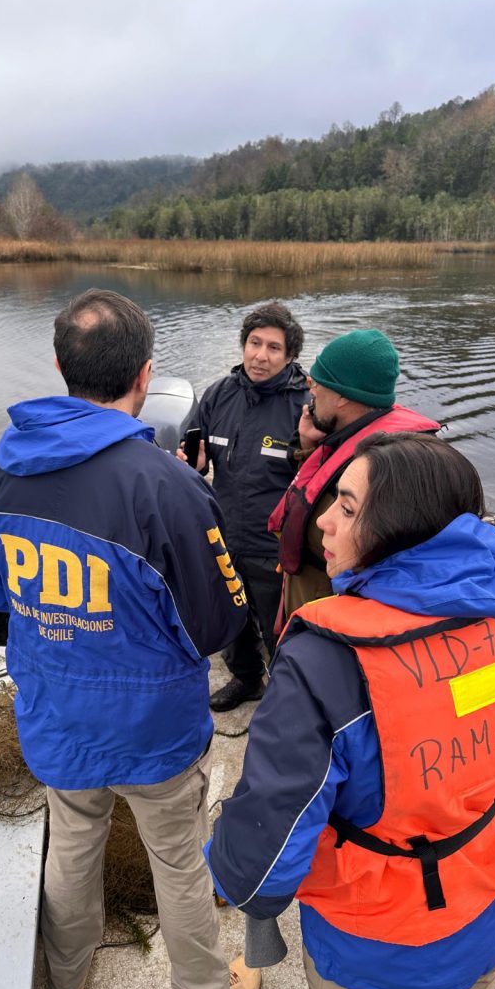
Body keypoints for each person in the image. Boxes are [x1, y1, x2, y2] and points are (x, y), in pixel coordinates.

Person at [206, 432, 495, 989]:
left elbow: (263, 863)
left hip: (378, 954)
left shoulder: (324, 661)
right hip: (492, 914)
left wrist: (227, 872)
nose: (323, 527)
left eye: (346, 508)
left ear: (396, 528)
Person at [0, 289, 261, 989]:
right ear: (144, 376)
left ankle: (66, 985)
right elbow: (218, 623)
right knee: (180, 862)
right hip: (153, 730)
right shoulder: (167, 485)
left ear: (65, 367)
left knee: (72, 846)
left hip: (56, 720)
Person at [180, 302, 309, 712]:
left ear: (290, 357)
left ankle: (288, 695)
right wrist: (195, 464)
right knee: (230, 617)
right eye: (255, 343)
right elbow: (198, 459)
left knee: (280, 627)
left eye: (274, 347)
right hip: (222, 535)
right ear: (243, 345)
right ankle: (248, 679)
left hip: (274, 543)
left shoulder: (305, 405)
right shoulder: (219, 395)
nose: (261, 355)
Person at [268, 328, 440, 623]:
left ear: (342, 398)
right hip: (311, 605)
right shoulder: (348, 441)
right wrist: (311, 447)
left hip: (333, 625)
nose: (311, 391)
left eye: (316, 382)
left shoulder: (382, 471)